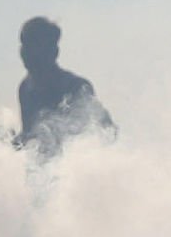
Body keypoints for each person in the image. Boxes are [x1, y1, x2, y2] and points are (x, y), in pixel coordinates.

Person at [14, 16, 115, 155]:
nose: (26, 53)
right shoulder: (26, 88)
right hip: (40, 170)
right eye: (25, 46)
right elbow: (29, 136)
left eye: (35, 47)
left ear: (53, 52)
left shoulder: (76, 87)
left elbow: (106, 131)